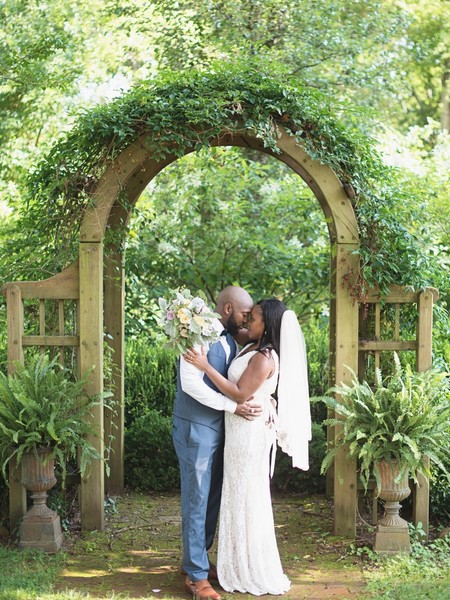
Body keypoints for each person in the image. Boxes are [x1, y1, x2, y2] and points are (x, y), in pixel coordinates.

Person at [184, 298, 312, 596]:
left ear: (267, 323)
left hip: (248, 434)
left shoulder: (264, 356)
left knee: (245, 496)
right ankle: (233, 563)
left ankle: (248, 567)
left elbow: (241, 393)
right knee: (237, 496)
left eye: (253, 318)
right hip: (240, 430)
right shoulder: (252, 347)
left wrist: (205, 366)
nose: (247, 322)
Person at [172, 285, 263, 600]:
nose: (246, 320)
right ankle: (196, 577)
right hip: (195, 428)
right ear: (227, 309)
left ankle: (195, 560)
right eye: (244, 314)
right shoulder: (196, 332)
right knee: (196, 501)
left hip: (220, 430)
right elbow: (190, 384)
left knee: (212, 499)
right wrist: (232, 407)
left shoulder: (232, 339)